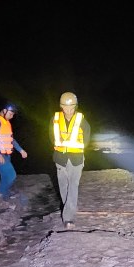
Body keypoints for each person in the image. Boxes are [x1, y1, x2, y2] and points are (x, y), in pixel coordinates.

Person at [52, 91, 91, 229]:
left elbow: (86, 137)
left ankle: (68, 217)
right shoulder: (55, 119)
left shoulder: (81, 120)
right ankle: (70, 207)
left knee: (73, 186)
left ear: (75, 106)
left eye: (71, 107)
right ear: (61, 106)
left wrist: (76, 148)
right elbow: (51, 136)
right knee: (63, 186)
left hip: (76, 159)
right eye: (65, 107)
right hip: (60, 158)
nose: (68, 110)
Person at [0, 102, 28, 201]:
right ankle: (0, 194)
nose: (12, 116)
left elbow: (11, 140)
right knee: (11, 175)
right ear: (4, 111)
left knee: (5, 176)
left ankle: (3, 196)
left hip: (6, 154)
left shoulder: (6, 122)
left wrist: (21, 150)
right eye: (11, 113)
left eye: (13, 114)